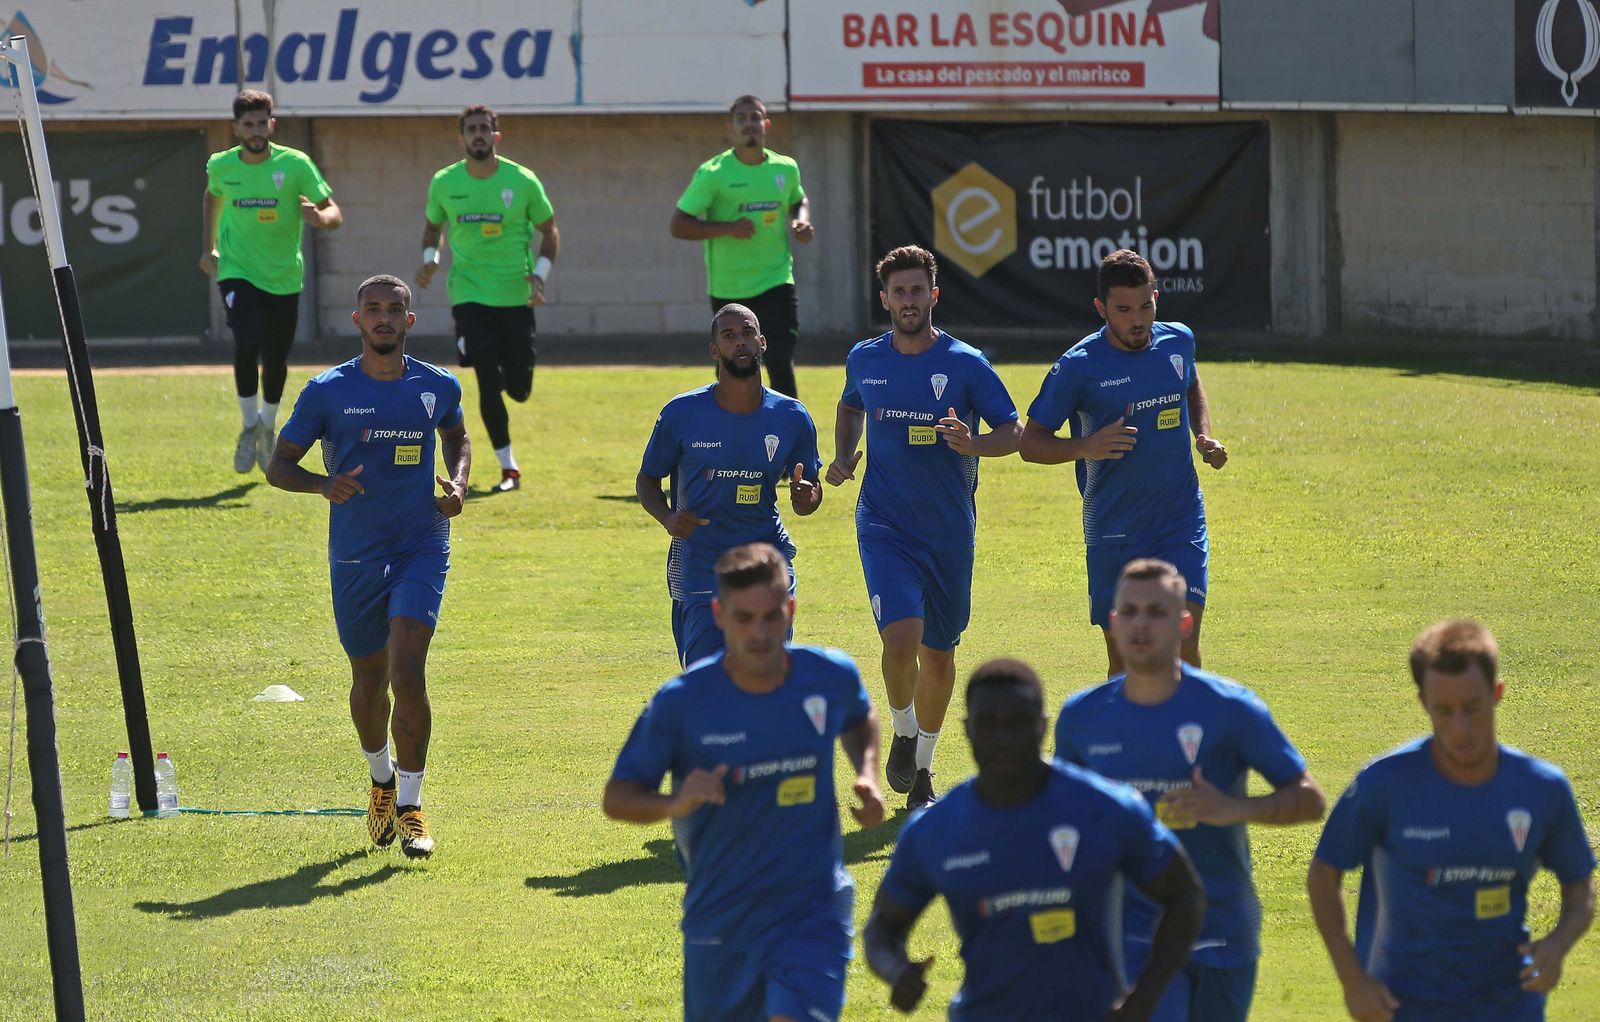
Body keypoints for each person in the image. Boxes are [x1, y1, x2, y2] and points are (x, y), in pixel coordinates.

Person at [603, 542, 887, 1022]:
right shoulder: (683, 703)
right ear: (719, 614)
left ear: (790, 609)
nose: (760, 633)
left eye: (772, 617)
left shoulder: (827, 675)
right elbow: (619, 797)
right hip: (722, 916)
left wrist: (867, 772)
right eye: (744, 618)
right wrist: (675, 803)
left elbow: (860, 716)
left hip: (811, 908)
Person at [1055, 558, 1326, 1022]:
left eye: (1156, 613)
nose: (1141, 625)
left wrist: (1233, 808)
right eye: (1131, 612)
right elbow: (1063, 825)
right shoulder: (1081, 719)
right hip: (1136, 936)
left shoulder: (1231, 709)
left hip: (1225, 929)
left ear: (1184, 624)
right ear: (1114, 623)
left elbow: (1309, 798)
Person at [863, 657, 1206, 1020]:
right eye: (989, 724)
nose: (1004, 739)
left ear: (1042, 727)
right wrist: (896, 970)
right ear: (967, 729)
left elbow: (1185, 895)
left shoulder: (1104, 808)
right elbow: (882, 929)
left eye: (1018, 723)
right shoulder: (936, 829)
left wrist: (1142, 1001)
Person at [266, 274, 470, 860]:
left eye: (394, 309)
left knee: (408, 672)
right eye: (372, 309)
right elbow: (279, 466)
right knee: (369, 681)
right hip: (356, 553)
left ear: (410, 319)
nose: (383, 317)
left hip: (421, 544)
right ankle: (380, 779)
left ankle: (410, 804)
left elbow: (457, 437)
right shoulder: (327, 391)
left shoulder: (438, 385)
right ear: (357, 320)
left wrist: (456, 485)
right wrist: (320, 484)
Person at [1307, 620, 1596, 1022]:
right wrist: (1353, 980)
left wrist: (1558, 944)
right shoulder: (1385, 784)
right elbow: (1323, 874)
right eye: (1444, 711)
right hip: (1404, 1007)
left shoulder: (1541, 789)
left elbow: (1580, 889)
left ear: (1497, 695)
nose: (1460, 728)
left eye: (1472, 709)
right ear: (1423, 703)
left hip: (1509, 1006)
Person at [827, 244, 1020, 810]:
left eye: (917, 290)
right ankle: (904, 728)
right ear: (883, 299)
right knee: (900, 637)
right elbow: (850, 406)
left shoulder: (966, 363)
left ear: (934, 296)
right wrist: (844, 455)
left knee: (938, 653)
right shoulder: (865, 358)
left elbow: (1013, 430)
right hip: (884, 522)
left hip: (949, 531)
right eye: (898, 291)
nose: (907, 300)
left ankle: (925, 768)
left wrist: (974, 442)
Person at [1019, 248, 1227, 678]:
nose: (1138, 319)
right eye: (1124, 309)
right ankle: (1132, 743)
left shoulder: (1178, 340)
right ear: (1101, 309)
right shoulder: (1078, 367)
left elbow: (1190, 381)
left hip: (1180, 519)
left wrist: (1202, 433)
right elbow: (1030, 443)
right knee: (1126, 662)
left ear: (1157, 297)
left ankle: (1189, 745)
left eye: (1146, 305)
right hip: (1114, 528)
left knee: (1183, 648)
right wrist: (1085, 447)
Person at [636, 305, 822, 668]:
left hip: (768, 562)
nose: (740, 342)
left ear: (762, 342)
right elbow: (647, 480)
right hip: (701, 566)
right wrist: (668, 518)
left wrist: (808, 496)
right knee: (705, 684)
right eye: (729, 335)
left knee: (764, 675)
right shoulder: (681, 413)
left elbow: (809, 492)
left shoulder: (792, 417)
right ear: (714, 350)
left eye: (747, 333)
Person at [416, 103, 559, 494]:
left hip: (516, 298)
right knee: (485, 379)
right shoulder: (444, 182)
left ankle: (490, 359)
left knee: (519, 389)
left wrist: (540, 277)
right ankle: (508, 468)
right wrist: (430, 260)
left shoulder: (523, 180)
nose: (478, 135)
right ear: (461, 137)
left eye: (485, 129)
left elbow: (550, 231)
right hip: (469, 295)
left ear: (496, 136)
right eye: (471, 129)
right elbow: (432, 228)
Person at [201, 89, 341, 476]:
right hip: (236, 271)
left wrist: (319, 218)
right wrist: (208, 246)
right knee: (247, 342)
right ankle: (249, 427)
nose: (256, 130)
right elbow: (211, 199)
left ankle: (267, 424)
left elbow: (333, 211)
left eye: (262, 123)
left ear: (271, 125)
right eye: (248, 124)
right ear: (236, 128)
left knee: (276, 356)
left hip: (283, 277)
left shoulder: (295, 164)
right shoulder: (221, 165)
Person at [670, 94, 811, 398]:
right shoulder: (713, 174)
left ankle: (792, 437)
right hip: (729, 287)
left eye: (755, 117)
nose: (749, 124)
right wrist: (727, 228)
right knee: (731, 368)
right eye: (742, 119)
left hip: (776, 280)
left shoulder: (785, 168)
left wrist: (801, 220)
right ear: (730, 128)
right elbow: (679, 224)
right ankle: (729, 434)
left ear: (766, 124)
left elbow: (799, 200)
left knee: (779, 360)